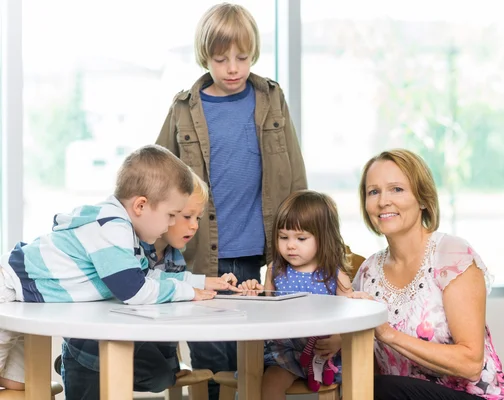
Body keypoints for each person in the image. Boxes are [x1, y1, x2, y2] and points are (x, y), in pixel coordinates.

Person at [155, 3, 307, 398]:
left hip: (260, 254)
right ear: (205, 57)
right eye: (221, 59)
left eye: (242, 57)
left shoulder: (272, 99)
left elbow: (295, 173)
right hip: (203, 255)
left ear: (253, 52)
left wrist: (304, 239)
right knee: (209, 359)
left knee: (255, 358)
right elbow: (156, 179)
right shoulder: (184, 108)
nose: (233, 68)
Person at [0, 145, 237, 392]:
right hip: (7, 288)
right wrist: (187, 292)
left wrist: (198, 283)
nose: (170, 224)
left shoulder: (127, 234)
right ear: (141, 206)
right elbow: (135, 291)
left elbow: (145, 275)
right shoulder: (112, 228)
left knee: (20, 384)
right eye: (171, 214)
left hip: (24, 297)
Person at [349, 149, 504, 400]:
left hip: (471, 396)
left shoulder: (451, 256)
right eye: (374, 192)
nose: (383, 201)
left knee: (379, 390)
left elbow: (470, 364)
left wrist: (388, 334)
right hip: (400, 395)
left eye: (396, 189)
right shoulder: (367, 272)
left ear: (423, 199)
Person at [60, 167, 237, 399]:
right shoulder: (124, 246)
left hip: (133, 347)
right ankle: (71, 361)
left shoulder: (175, 259)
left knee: (161, 377)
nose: (194, 225)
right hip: (91, 344)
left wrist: (171, 367)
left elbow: (169, 310)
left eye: (198, 218)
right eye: (185, 216)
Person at [239, 190, 353, 400]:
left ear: (324, 238)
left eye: (301, 238)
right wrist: (252, 294)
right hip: (285, 351)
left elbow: (353, 318)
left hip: (323, 352)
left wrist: (339, 339)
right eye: (283, 237)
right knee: (270, 384)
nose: (290, 245)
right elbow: (266, 310)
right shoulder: (275, 270)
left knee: (352, 384)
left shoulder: (335, 276)